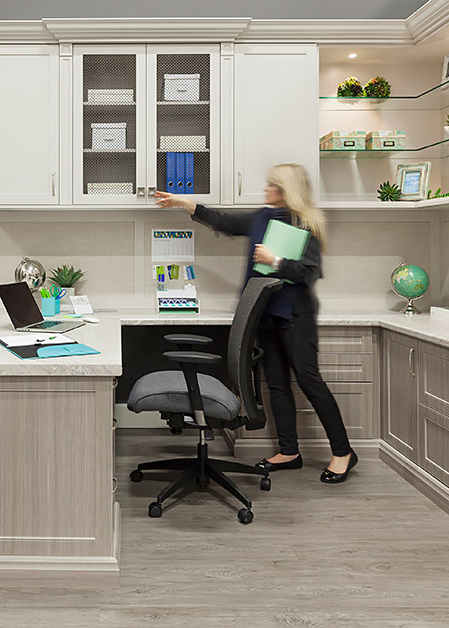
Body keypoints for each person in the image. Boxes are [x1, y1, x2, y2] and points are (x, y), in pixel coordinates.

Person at [153, 163, 357, 483]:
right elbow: (225, 222)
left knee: (309, 382)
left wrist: (275, 261)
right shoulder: (262, 217)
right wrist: (184, 203)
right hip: (265, 314)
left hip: (295, 316)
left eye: (272, 185)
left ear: (287, 189)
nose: (265, 189)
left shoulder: (307, 223)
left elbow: (309, 273)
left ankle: (343, 452)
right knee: (276, 385)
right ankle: (289, 451)